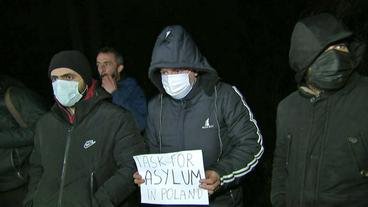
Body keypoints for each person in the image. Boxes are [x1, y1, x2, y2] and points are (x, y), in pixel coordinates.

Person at [133, 25, 264, 207]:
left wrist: (221, 173)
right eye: (164, 72)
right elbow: (151, 151)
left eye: (177, 70)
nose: (170, 78)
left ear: (194, 69)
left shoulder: (224, 96)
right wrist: (145, 172)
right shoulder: (156, 107)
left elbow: (252, 144)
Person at [23, 50, 146, 207]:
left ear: (86, 79)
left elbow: (130, 168)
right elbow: (36, 169)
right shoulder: (45, 124)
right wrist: (31, 201)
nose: (60, 84)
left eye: (68, 77)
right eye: (55, 79)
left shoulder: (116, 118)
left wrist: (96, 203)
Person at [271, 13, 368, 207]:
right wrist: (279, 200)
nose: (338, 55)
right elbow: (281, 164)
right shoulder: (288, 108)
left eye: (341, 47)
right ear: (304, 59)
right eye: (328, 49)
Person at [0, 75, 47, 207]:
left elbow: (45, 130)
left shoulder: (15, 96)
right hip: (5, 189)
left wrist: (4, 138)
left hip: (27, 182)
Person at [96, 47, 147, 131]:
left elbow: (140, 124)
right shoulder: (95, 91)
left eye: (107, 64)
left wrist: (114, 93)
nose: (101, 69)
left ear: (119, 68)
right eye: (98, 64)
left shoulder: (133, 89)